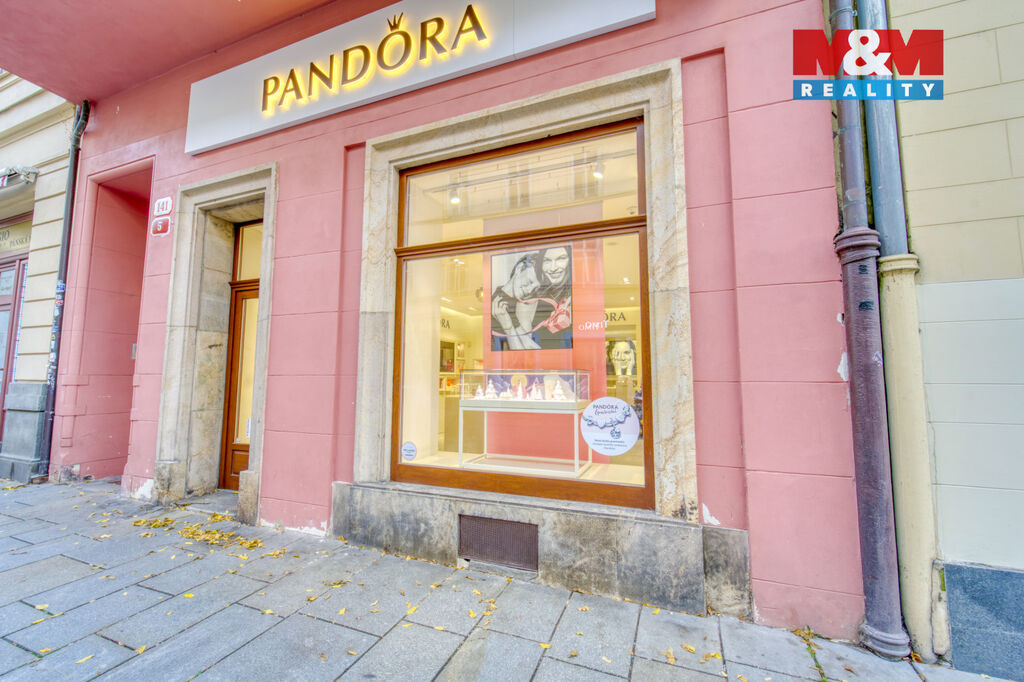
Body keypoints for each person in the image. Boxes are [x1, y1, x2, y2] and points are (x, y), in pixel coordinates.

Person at [491, 253, 542, 350]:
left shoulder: (531, 302)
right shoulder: (495, 304)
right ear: (519, 268)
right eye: (529, 282)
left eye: (535, 288)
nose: (529, 290)